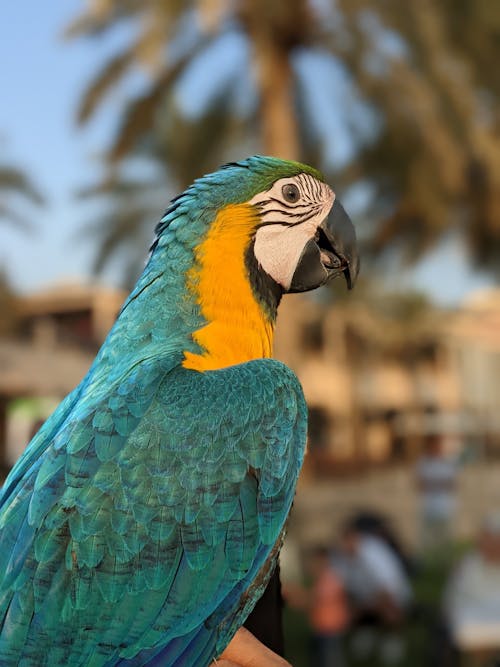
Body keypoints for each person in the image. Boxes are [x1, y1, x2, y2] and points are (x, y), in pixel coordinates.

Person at [335, 521, 412, 665]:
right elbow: (342, 585)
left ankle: (392, 645)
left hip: (392, 598)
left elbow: (388, 589)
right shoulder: (342, 557)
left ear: (356, 538)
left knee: (390, 613)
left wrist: (366, 608)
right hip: (363, 600)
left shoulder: (374, 553)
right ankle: (364, 640)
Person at [442, 513, 500, 661]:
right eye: (487, 539)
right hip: (471, 622)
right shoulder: (467, 565)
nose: (491, 545)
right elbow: (454, 602)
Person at [415, 434, 458, 555]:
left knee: (445, 534)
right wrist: (439, 484)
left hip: (445, 505)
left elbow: (453, 485)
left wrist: (433, 484)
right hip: (428, 505)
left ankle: (444, 556)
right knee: (429, 535)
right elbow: (419, 485)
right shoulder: (423, 462)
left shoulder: (448, 462)